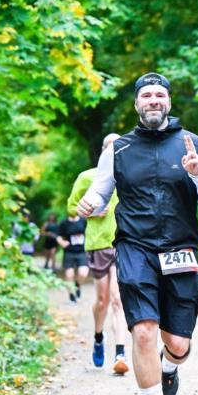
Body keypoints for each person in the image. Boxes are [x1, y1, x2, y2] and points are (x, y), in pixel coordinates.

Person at [77, 72, 198, 395]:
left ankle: (170, 365)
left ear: (169, 102)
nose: (154, 100)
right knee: (142, 331)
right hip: (135, 248)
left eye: (160, 94)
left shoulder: (191, 144)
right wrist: (91, 202)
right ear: (137, 104)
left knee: (177, 342)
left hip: (180, 249)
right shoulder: (119, 149)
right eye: (147, 95)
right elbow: (99, 189)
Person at [67, 133, 130, 375]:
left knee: (117, 299)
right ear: (103, 150)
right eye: (109, 147)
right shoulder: (88, 177)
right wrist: (91, 211)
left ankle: (120, 353)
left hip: (123, 243)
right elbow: (71, 206)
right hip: (97, 244)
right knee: (102, 301)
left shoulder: (129, 175)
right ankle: (98, 336)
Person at [56, 214, 88, 302]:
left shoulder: (83, 221)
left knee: (83, 273)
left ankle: (77, 286)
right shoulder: (64, 222)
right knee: (69, 275)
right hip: (69, 252)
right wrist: (62, 242)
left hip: (82, 251)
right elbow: (58, 236)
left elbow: (90, 232)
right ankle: (71, 293)